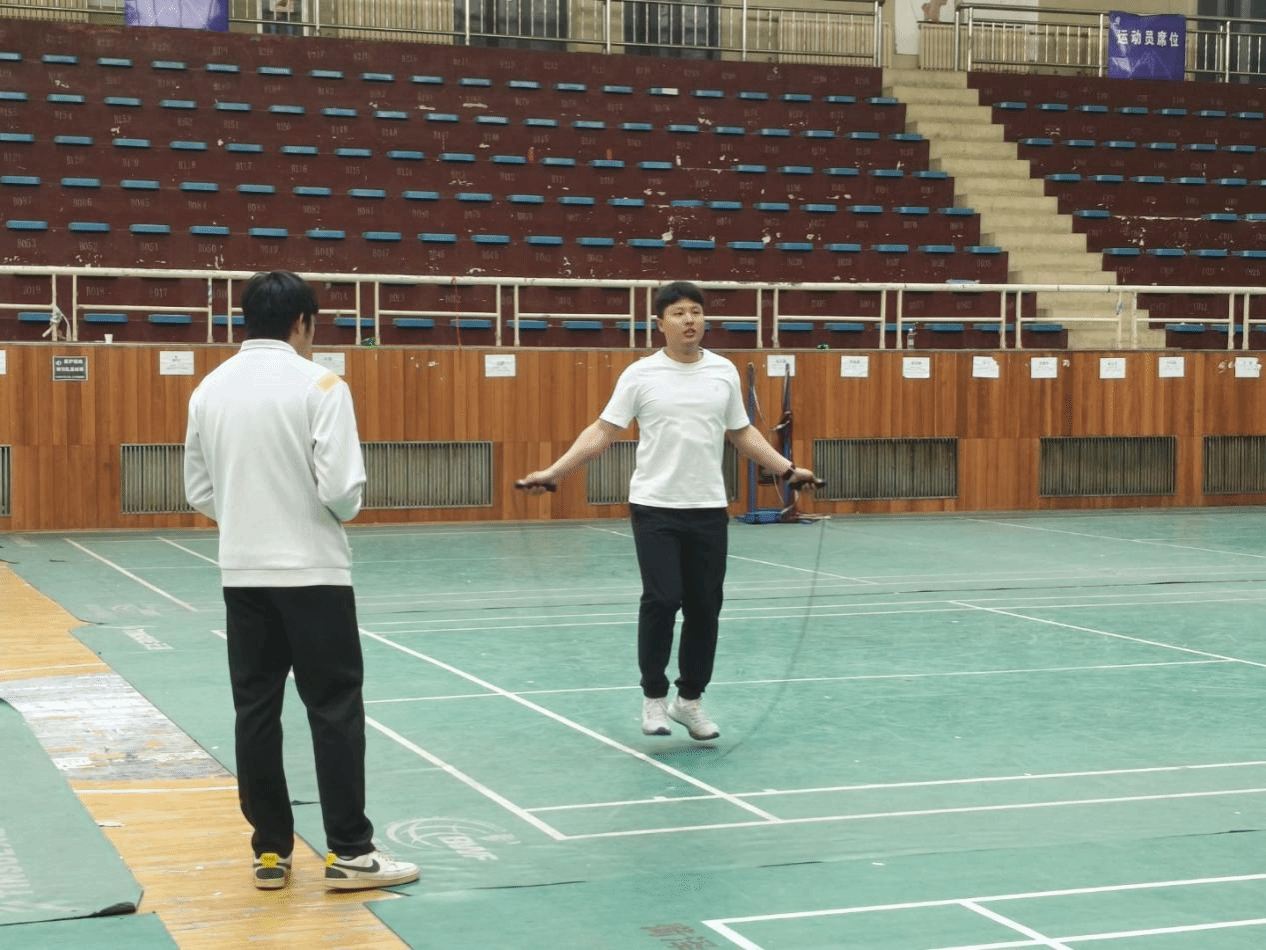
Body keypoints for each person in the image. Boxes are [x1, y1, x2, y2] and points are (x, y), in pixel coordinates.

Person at [183, 271, 418, 892]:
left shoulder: (208, 389)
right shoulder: (322, 384)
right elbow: (342, 491)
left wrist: (249, 520)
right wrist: (330, 512)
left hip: (242, 574)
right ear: (302, 323)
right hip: (314, 574)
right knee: (334, 710)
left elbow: (198, 490)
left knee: (255, 710)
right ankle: (351, 853)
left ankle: (270, 852)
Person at [517, 281, 820, 741]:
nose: (689, 320)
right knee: (661, 599)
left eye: (695, 311)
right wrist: (554, 471)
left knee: (705, 608)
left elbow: (742, 433)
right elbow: (603, 431)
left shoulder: (723, 371)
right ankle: (654, 699)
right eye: (678, 313)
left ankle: (689, 701)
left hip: (708, 508)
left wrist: (787, 469)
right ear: (660, 323)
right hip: (655, 506)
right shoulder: (640, 375)